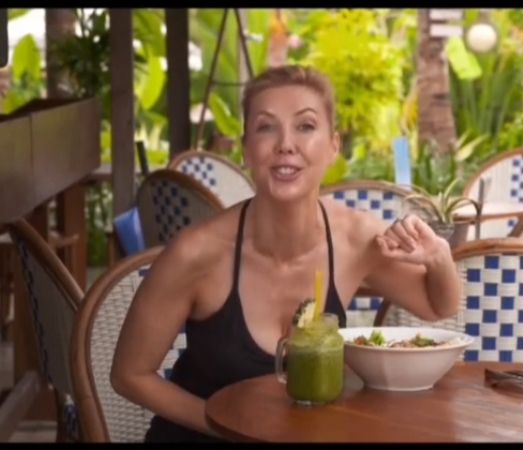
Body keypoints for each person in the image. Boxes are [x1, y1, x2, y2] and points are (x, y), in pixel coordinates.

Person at [110, 65, 462, 442]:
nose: (286, 144)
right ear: (246, 149)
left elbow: (436, 306)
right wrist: (226, 425)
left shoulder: (355, 240)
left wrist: (439, 256)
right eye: (266, 127)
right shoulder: (197, 253)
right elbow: (129, 375)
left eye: (305, 126)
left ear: (333, 146)